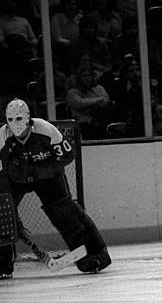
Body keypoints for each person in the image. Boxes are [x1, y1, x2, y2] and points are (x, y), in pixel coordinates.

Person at [0, 99, 111, 279]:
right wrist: (9, 210)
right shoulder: (2, 138)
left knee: (65, 212)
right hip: (15, 178)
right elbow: (0, 175)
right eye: (11, 120)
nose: (16, 124)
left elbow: (67, 155)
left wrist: (39, 170)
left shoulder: (45, 130)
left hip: (47, 177)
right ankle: (2, 264)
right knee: (1, 214)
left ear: (28, 118)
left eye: (19, 118)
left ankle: (94, 256)